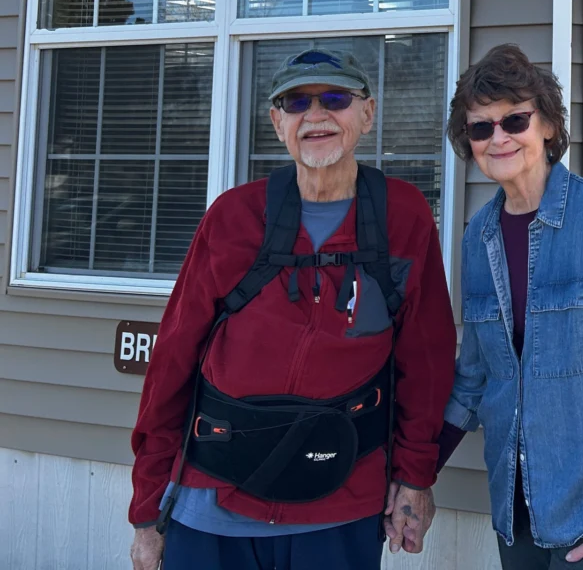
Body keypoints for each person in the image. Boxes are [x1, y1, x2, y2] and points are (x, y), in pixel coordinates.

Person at [128, 48, 457, 570]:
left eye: (335, 99)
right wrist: (148, 508)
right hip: (214, 498)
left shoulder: (402, 216)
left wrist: (415, 477)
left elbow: (426, 359)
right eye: (297, 102)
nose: (316, 115)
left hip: (341, 502)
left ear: (367, 114)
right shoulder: (233, 216)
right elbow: (172, 362)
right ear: (277, 122)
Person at [438, 44, 583, 570]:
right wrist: (414, 476)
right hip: (516, 507)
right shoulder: (479, 238)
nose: (499, 138)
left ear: (546, 125)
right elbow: (472, 381)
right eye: (481, 127)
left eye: (514, 120)